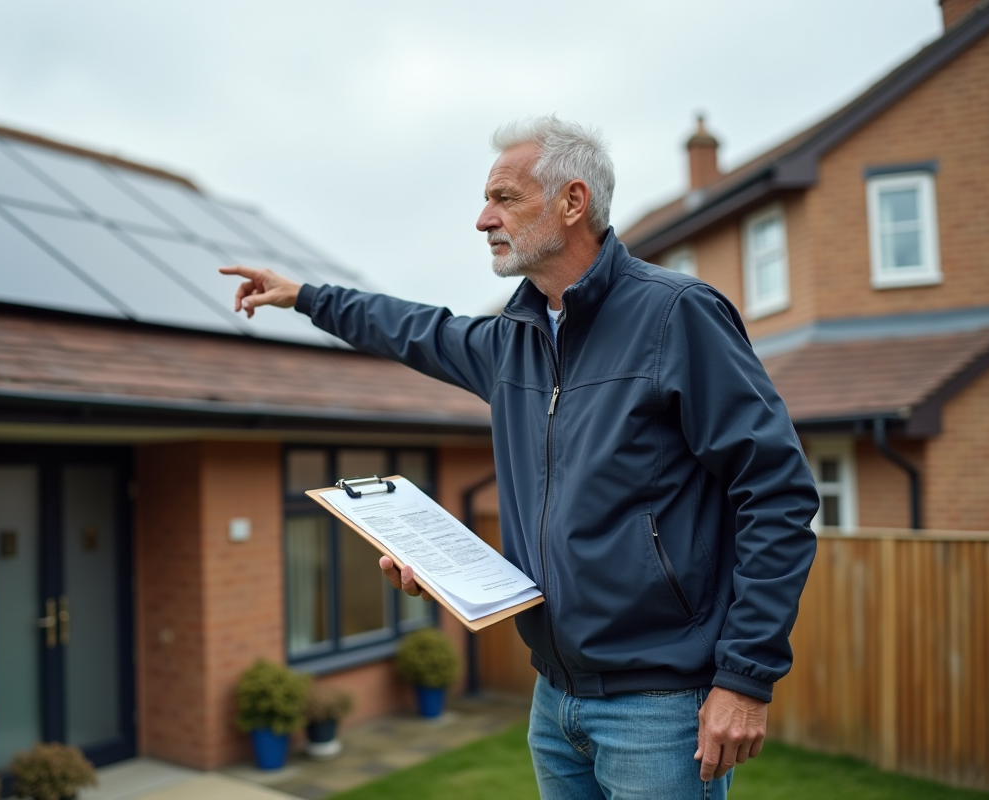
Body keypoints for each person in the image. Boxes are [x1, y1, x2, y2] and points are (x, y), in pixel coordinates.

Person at [220, 116, 819, 800]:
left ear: (572, 202)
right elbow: (416, 329)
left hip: (660, 706)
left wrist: (745, 678)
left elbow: (776, 494)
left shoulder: (677, 316)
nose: (483, 219)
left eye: (505, 197)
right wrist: (305, 296)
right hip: (553, 700)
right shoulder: (514, 341)